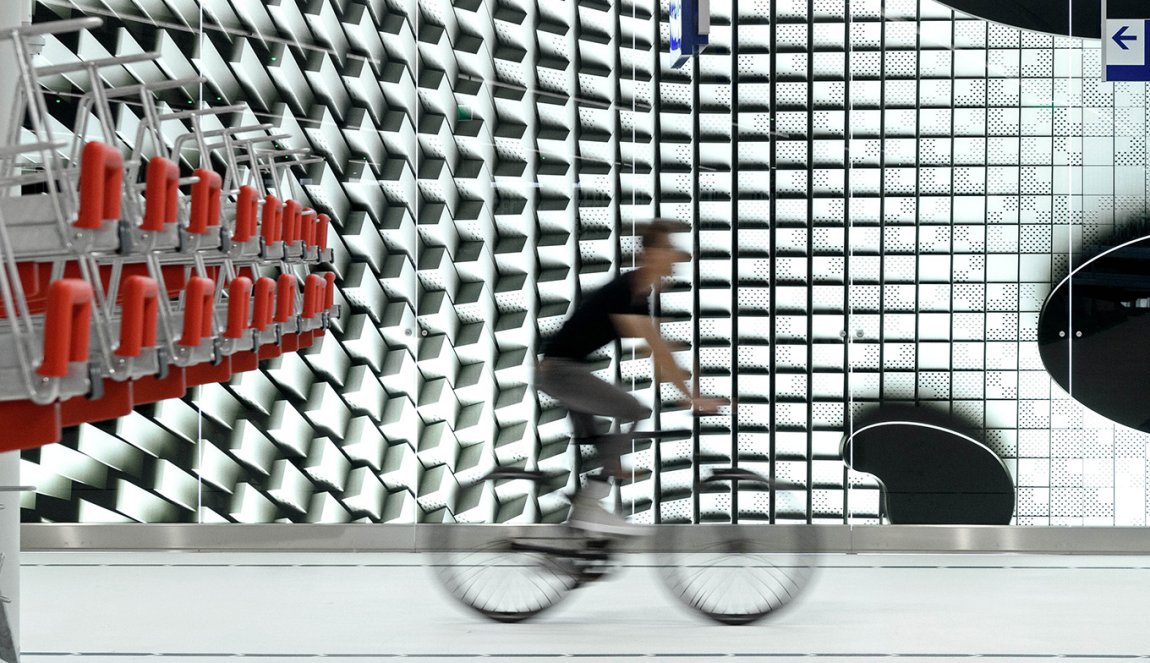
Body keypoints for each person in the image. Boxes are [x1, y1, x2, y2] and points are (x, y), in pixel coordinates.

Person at [535, 219, 724, 535]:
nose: (672, 262)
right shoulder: (627, 291)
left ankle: (583, 518)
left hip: (563, 372)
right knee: (636, 410)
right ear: (650, 254)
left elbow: (659, 348)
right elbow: (658, 349)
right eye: (667, 253)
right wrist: (692, 398)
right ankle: (591, 503)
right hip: (560, 372)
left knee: (608, 447)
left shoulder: (636, 296)